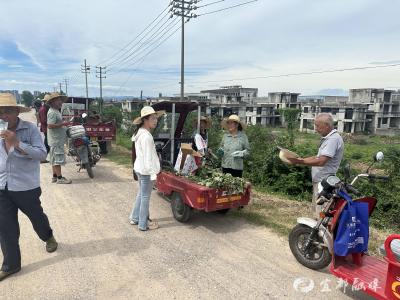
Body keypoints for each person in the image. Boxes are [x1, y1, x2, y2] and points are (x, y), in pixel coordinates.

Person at [0, 93, 58, 282]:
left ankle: (48, 236)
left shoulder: (30, 129)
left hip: (25, 185)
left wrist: (16, 143)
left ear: (17, 112)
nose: (3, 116)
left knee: (36, 217)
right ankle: (11, 265)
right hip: (2, 185)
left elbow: (41, 154)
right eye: (0, 112)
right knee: (6, 226)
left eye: (7, 111)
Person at [286, 113, 344, 218]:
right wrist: (300, 159)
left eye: (318, 126)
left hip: (324, 183)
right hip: (320, 181)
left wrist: (299, 162)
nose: (316, 129)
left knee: (321, 214)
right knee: (317, 212)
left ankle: (320, 234)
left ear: (327, 125)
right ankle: (316, 233)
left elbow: (321, 161)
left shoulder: (333, 140)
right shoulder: (329, 138)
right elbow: (317, 157)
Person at [129, 106, 164, 231]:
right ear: (145, 120)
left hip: (140, 169)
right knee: (145, 197)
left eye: (156, 118)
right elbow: (148, 158)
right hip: (146, 171)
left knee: (141, 194)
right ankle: (143, 224)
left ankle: (135, 217)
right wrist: (153, 175)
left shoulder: (139, 133)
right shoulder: (146, 136)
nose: (155, 121)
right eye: (153, 118)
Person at [46, 93, 72, 184]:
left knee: (54, 158)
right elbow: (49, 125)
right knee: (57, 159)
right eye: (58, 100)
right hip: (56, 140)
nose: (60, 102)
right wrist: (63, 124)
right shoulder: (52, 112)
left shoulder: (55, 111)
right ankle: (60, 178)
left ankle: (55, 176)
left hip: (56, 139)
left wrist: (62, 122)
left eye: (60, 100)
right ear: (52, 102)